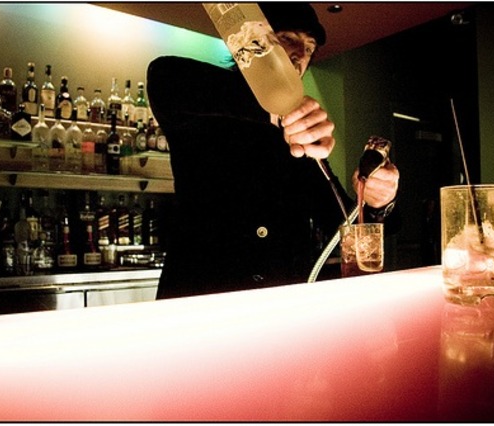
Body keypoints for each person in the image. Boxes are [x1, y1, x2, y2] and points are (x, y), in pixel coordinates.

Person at [147, 3, 399, 299]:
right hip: (199, 299)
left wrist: (376, 201)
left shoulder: (301, 140)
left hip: (282, 304)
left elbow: (340, 224)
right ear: (252, 43)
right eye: (288, 38)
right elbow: (163, 77)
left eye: (309, 47)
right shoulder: (201, 105)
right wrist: (275, 105)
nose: (301, 54)